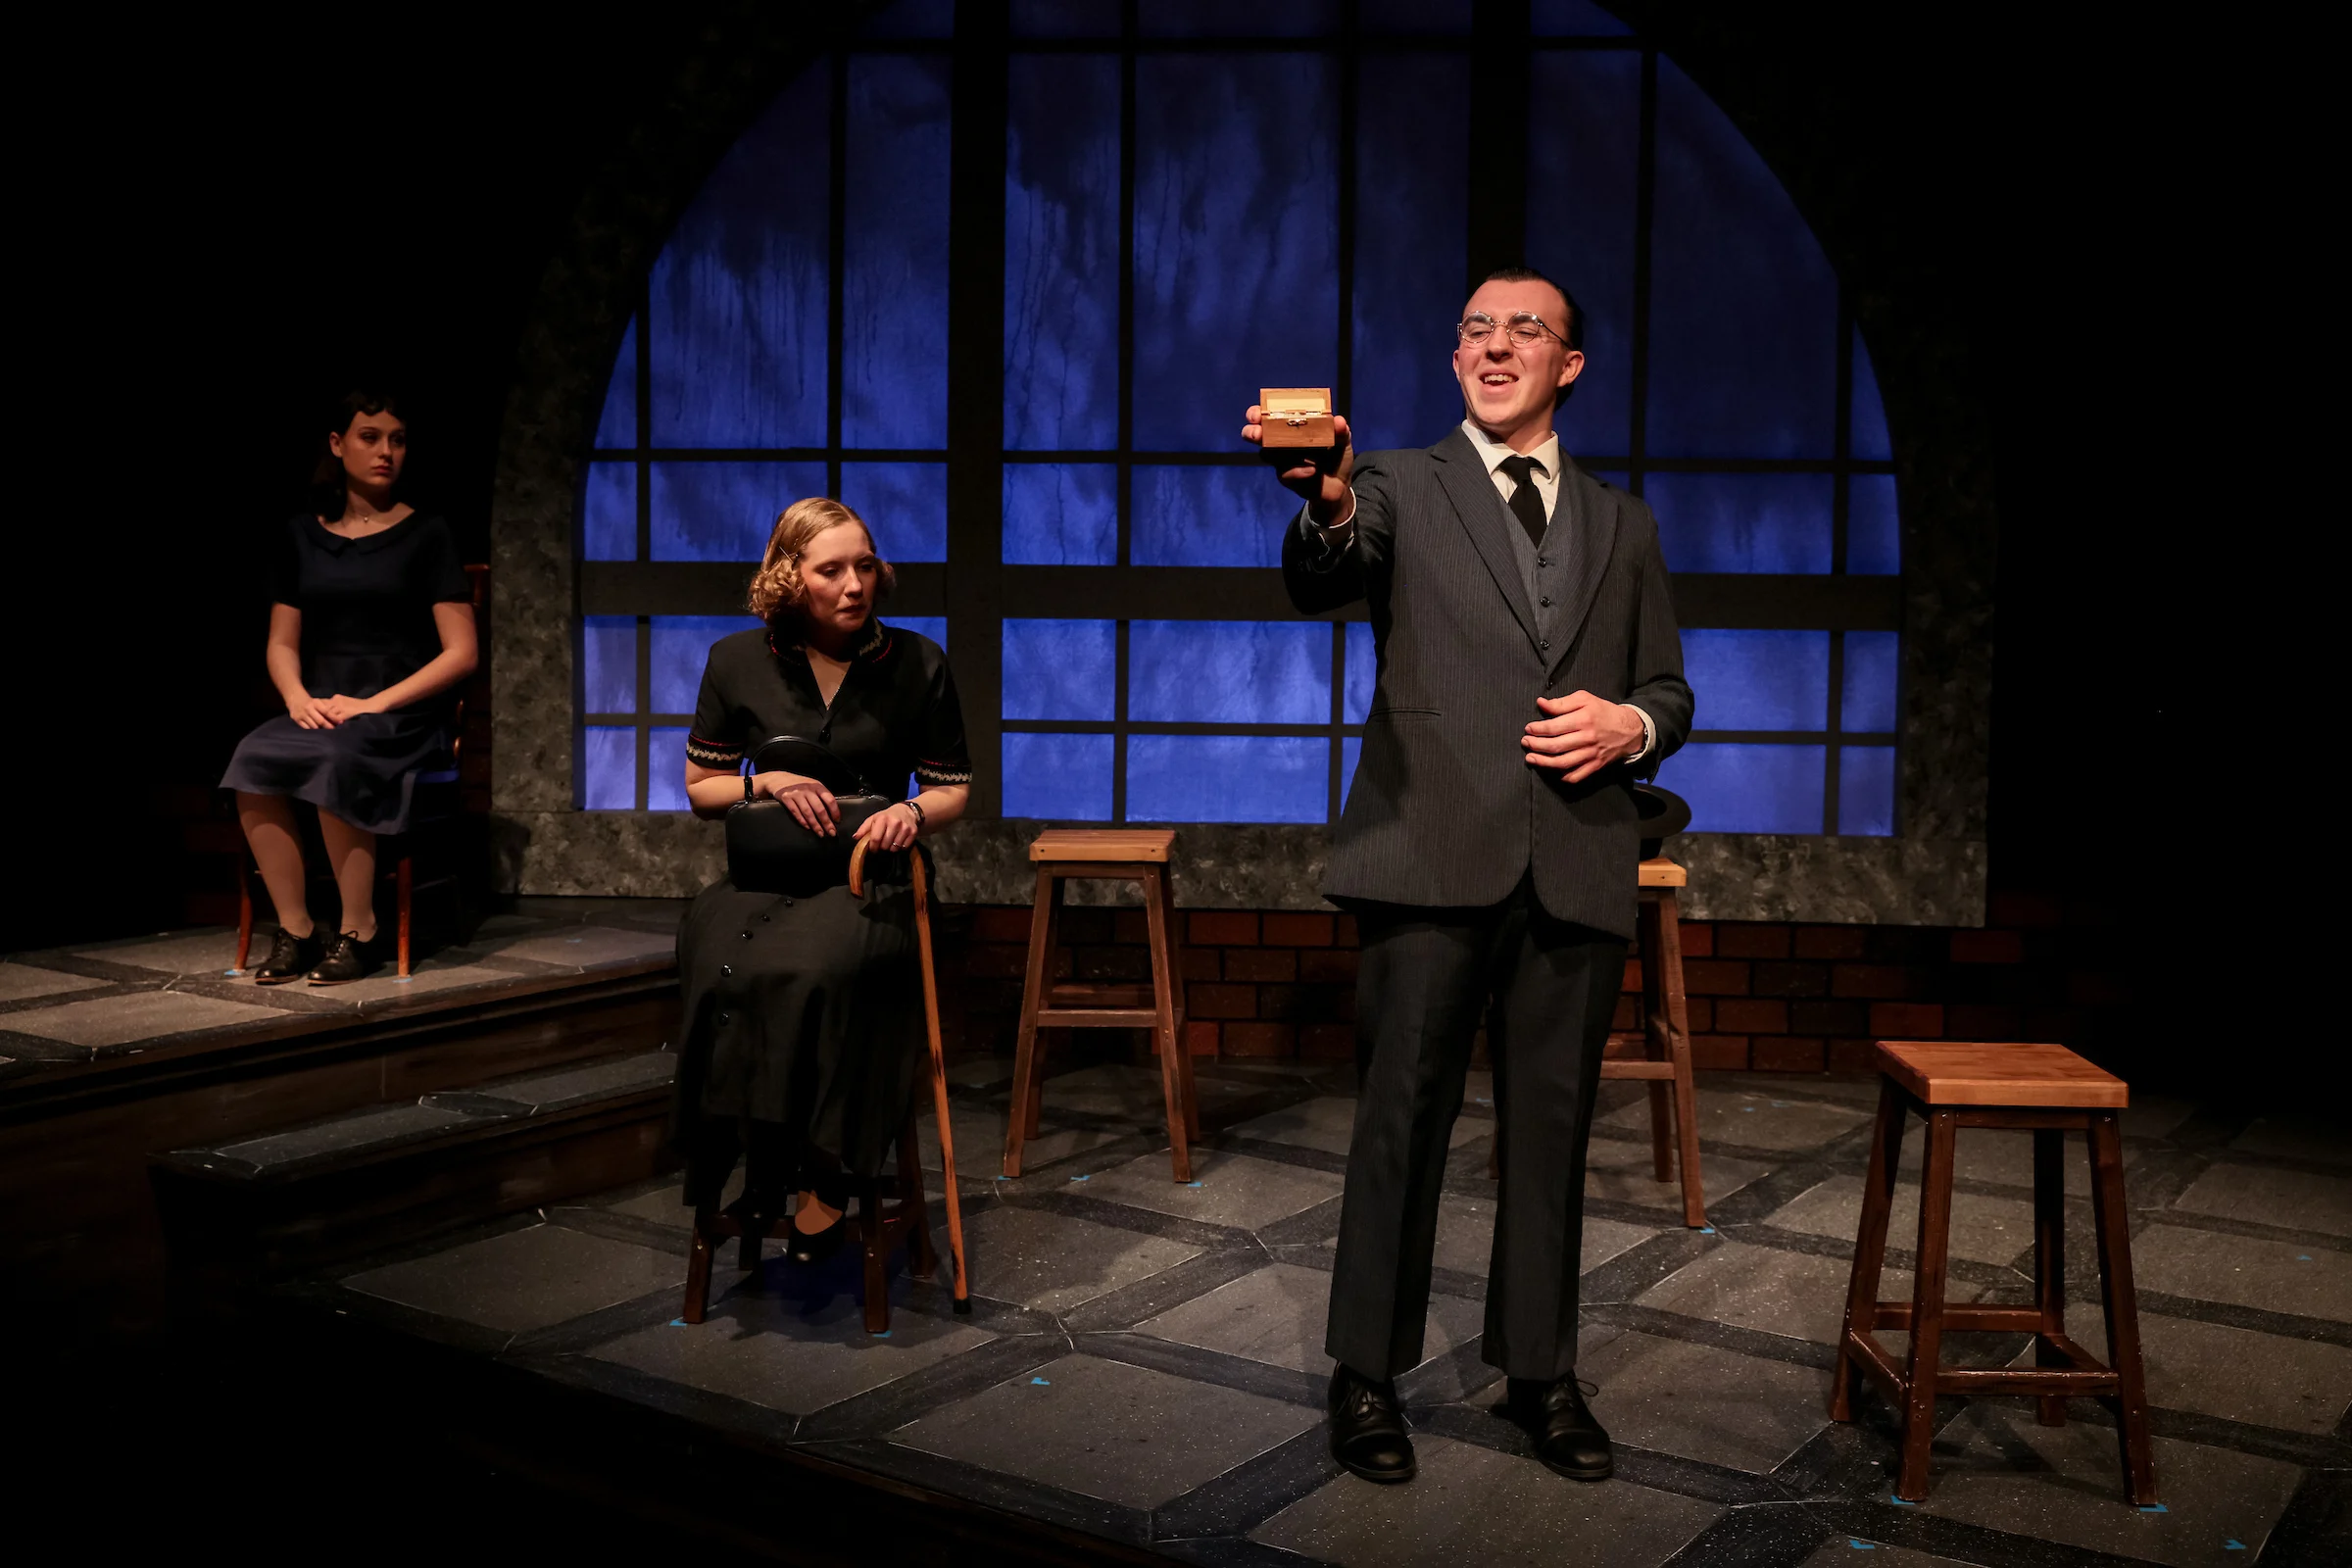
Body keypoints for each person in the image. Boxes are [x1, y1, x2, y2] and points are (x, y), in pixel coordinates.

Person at [1246, 267, 1693, 1485]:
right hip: (1430, 852)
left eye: (1525, 332)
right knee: (1404, 1121)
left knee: (1548, 1133)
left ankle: (1540, 1375)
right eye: (1475, 334)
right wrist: (1325, 494)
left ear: (1571, 365)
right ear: (1455, 361)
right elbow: (1326, 564)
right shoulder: (1392, 481)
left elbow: (1670, 687)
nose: (1496, 349)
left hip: (1578, 861)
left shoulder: (1625, 523)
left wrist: (1629, 728)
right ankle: (1367, 1375)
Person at [672, 497, 971, 1262]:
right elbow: (701, 788)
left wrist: (911, 812)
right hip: (764, 876)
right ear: (789, 577)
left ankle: (826, 1168)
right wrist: (761, 783)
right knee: (721, 967)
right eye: (830, 570)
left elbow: (952, 789)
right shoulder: (738, 660)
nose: (852, 585)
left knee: (819, 969)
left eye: (864, 566)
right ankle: (754, 1155)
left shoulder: (916, 663)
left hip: (869, 877)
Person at [222, 391, 478, 985]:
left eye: (397, 439)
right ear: (338, 445)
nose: (386, 451)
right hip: (323, 705)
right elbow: (282, 642)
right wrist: (295, 697)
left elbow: (462, 652)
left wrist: (376, 703)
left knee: (338, 755)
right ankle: (295, 930)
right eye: (370, 436)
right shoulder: (302, 536)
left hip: (400, 713)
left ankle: (358, 929)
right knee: (253, 755)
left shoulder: (427, 533)